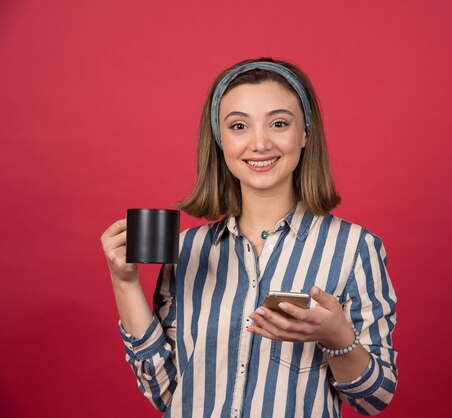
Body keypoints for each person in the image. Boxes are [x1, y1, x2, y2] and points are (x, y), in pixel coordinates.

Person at [101, 58, 397, 417]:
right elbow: (165, 392)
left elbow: (374, 398)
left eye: (278, 123)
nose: (259, 142)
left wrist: (337, 337)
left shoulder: (354, 248)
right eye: (239, 125)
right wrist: (125, 282)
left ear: (305, 133)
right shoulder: (186, 250)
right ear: (219, 139)